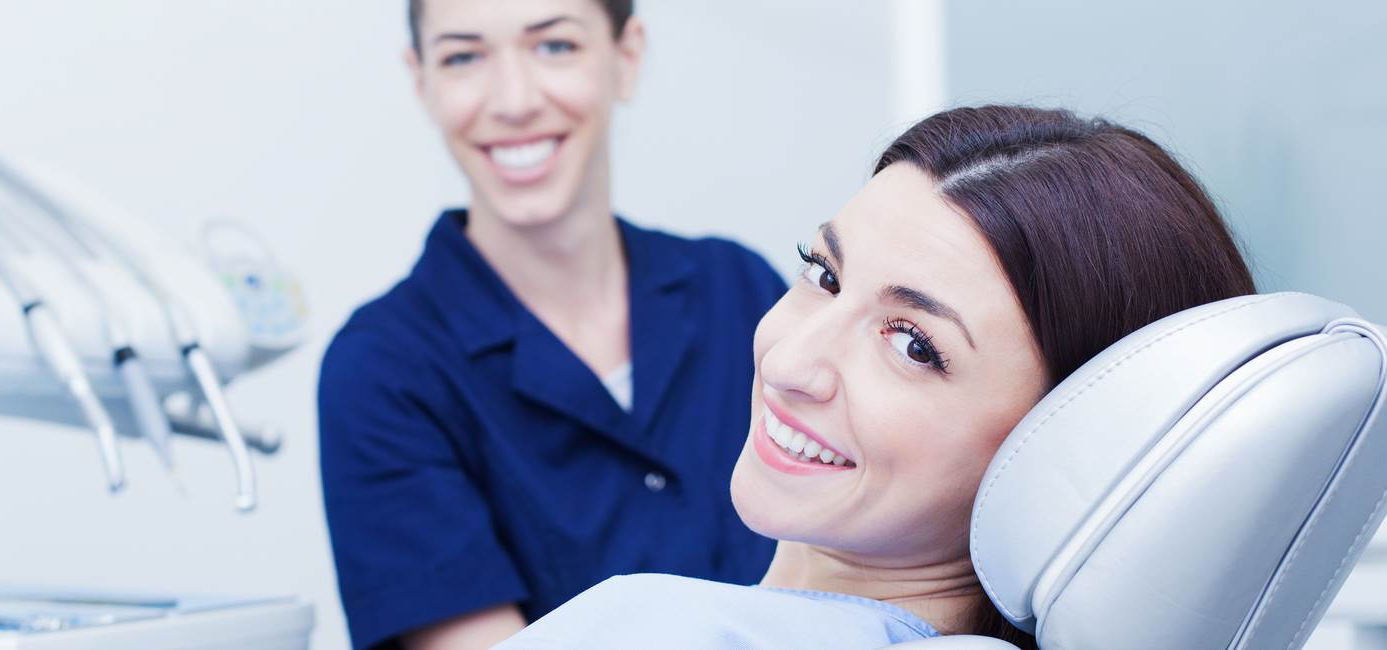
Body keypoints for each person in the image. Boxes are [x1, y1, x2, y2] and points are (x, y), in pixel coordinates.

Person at [496, 105, 1258, 649]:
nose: (790, 363)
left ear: (1072, 442)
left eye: (914, 346)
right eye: (823, 275)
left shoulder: (657, 630)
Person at [317, 1, 785, 648]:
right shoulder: (382, 370)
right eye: (463, 57)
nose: (513, 100)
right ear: (421, 81)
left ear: (626, 57)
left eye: (555, 47)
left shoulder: (740, 291)